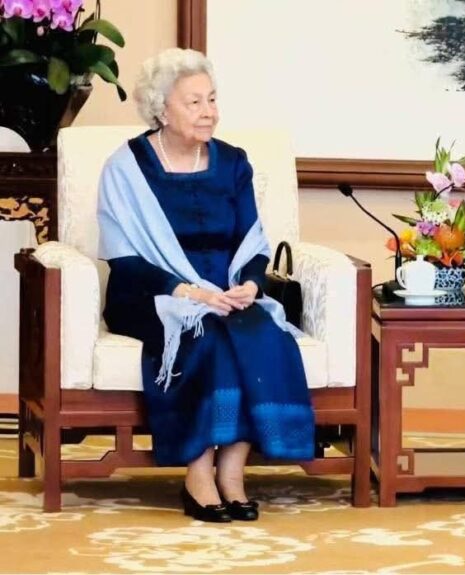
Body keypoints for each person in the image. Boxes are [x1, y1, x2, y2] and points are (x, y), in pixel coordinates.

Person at [97, 48, 313, 522]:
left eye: (212, 99)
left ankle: (232, 474)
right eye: (194, 102)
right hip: (151, 295)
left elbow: (253, 242)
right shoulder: (126, 167)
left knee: (260, 332)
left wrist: (251, 285)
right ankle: (198, 473)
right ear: (161, 109)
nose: (208, 111)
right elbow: (124, 259)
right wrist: (189, 293)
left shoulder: (233, 162)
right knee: (206, 333)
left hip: (225, 291)